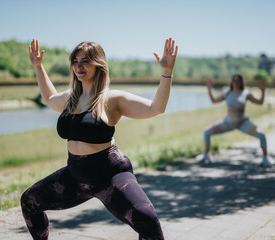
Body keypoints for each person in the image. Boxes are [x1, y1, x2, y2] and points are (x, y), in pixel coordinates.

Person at [21, 38, 178, 240]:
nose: (79, 66)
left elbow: (156, 108)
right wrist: (38, 66)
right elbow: (49, 98)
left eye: (85, 61)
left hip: (109, 176)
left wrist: (167, 72)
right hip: (76, 176)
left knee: (147, 221)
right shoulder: (71, 98)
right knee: (29, 201)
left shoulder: (112, 99)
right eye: (75, 61)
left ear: (98, 64)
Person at [197, 74, 275, 166]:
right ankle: (206, 154)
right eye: (234, 80)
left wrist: (263, 91)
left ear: (241, 82)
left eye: (238, 81)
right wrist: (209, 90)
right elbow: (214, 101)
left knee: (261, 135)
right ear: (231, 82)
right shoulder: (227, 93)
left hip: (242, 123)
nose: (236, 82)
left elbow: (260, 102)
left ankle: (265, 158)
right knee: (207, 131)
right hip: (228, 123)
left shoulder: (246, 93)